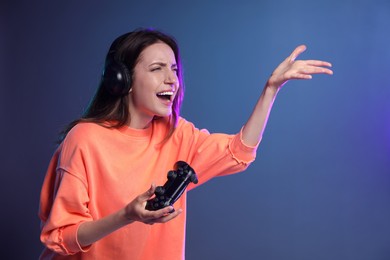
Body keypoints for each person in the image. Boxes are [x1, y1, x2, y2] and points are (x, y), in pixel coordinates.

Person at [38, 28, 333, 259]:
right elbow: (60, 236)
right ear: (122, 80)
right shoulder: (85, 139)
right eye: (157, 69)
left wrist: (270, 90)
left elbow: (238, 153)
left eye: (174, 69)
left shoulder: (177, 133)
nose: (171, 80)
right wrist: (126, 216)